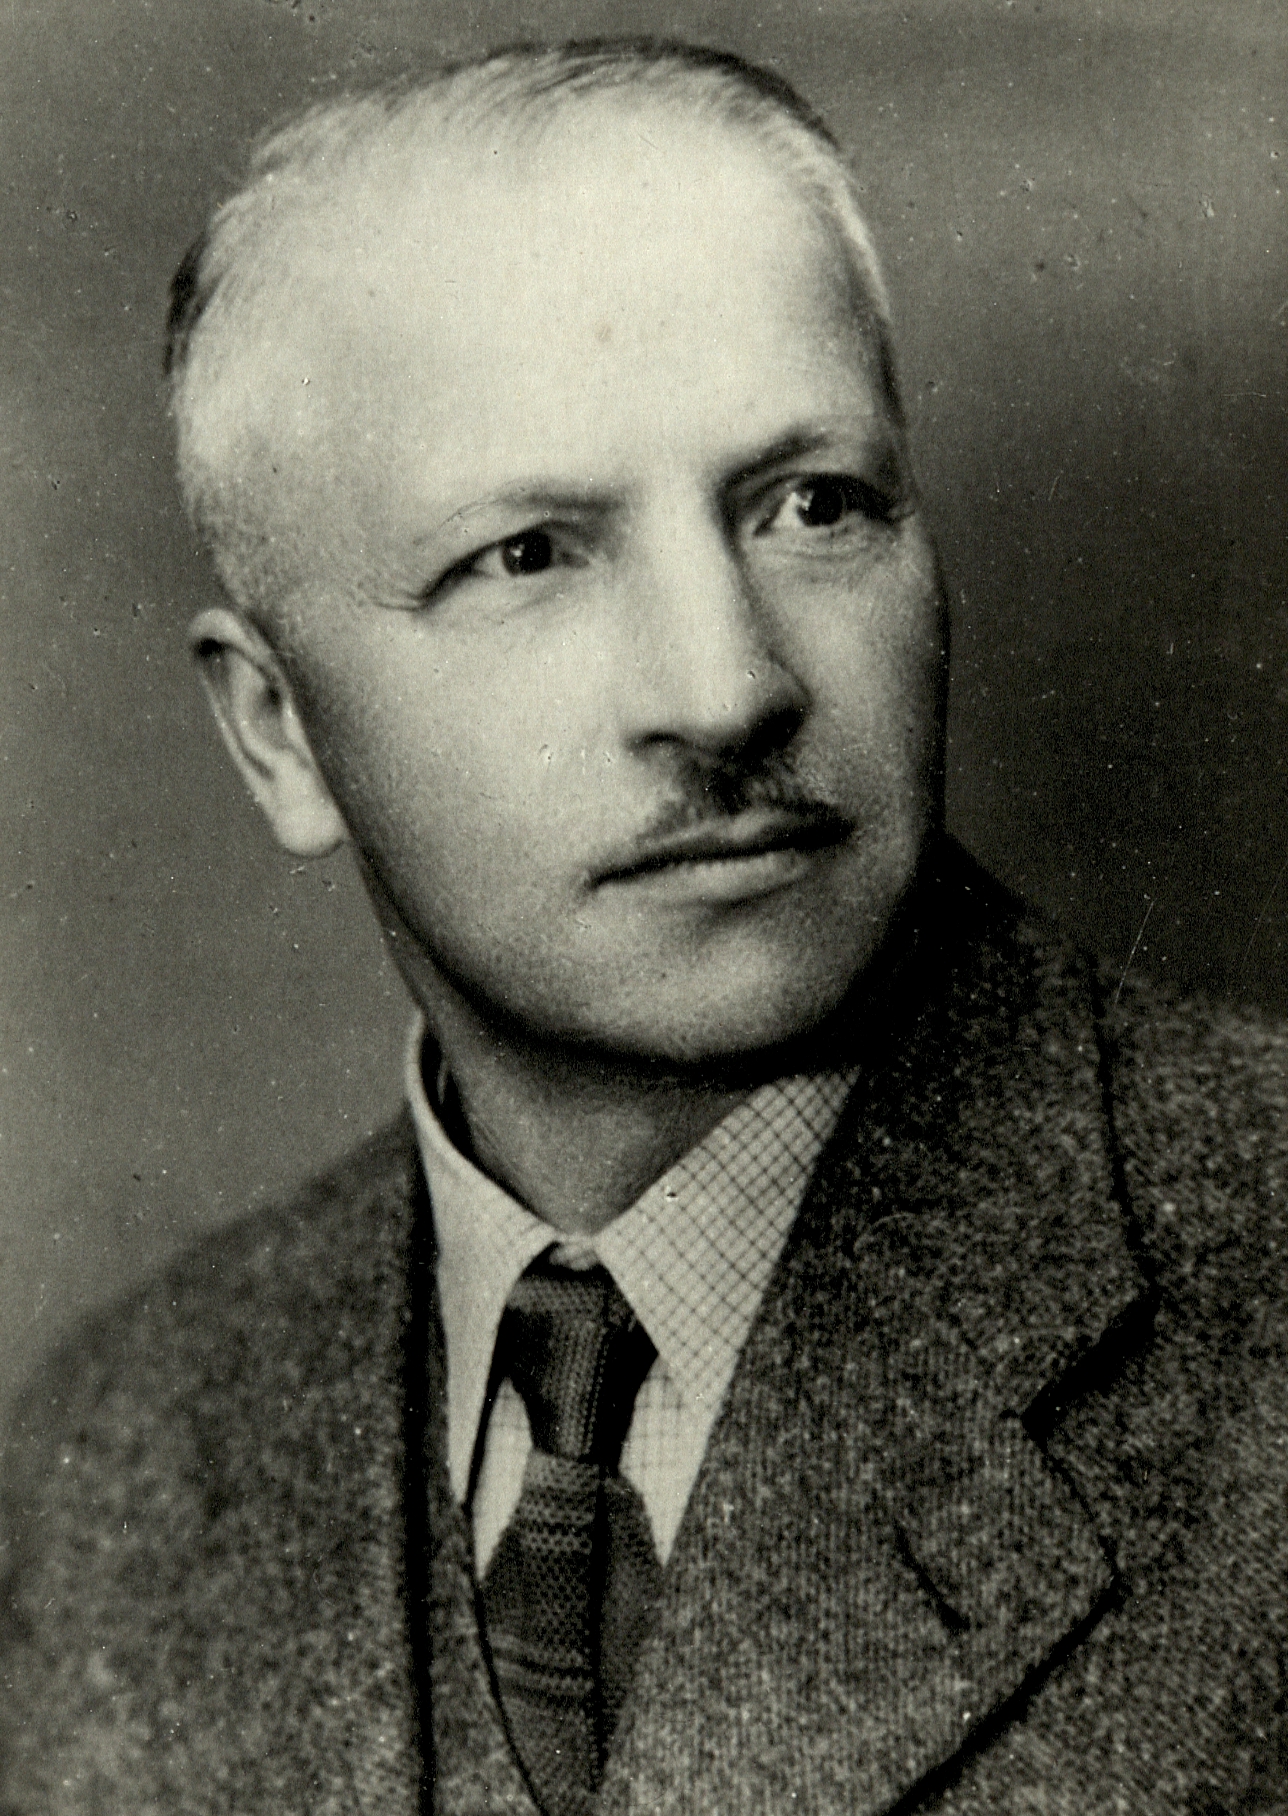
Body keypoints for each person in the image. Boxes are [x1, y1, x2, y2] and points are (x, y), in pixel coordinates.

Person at [1, 37, 1285, 1816]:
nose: (727, 686)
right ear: (278, 733)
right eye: (531, 554)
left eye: (815, 506)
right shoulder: (117, 1467)